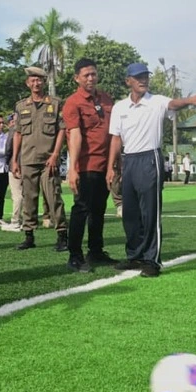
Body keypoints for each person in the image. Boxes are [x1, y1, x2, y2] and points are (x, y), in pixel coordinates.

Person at [107, 63, 196, 277]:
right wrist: (111, 167)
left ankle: (151, 260)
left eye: (145, 76)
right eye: (138, 77)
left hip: (149, 158)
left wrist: (189, 100)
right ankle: (134, 255)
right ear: (128, 81)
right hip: (129, 160)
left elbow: (174, 103)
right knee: (130, 213)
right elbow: (116, 139)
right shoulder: (120, 107)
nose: (143, 80)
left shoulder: (156, 101)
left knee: (150, 212)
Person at [62, 58, 118, 273]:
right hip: (86, 165)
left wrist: (114, 163)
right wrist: (73, 168)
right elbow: (74, 136)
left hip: (105, 164)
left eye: (93, 74)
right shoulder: (73, 102)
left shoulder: (106, 98)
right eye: (86, 75)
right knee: (81, 209)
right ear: (77, 78)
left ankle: (96, 251)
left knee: (99, 209)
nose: (91, 78)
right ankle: (74, 256)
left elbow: (113, 132)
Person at [11, 66, 68, 251]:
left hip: (48, 160)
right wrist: (15, 159)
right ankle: (29, 235)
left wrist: (56, 154)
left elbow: (62, 130)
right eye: (32, 80)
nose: (36, 83)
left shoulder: (55, 103)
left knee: (53, 197)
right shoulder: (21, 106)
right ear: (27, 83)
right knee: (29, 198)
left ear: (44, 82)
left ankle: (62, 235)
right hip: (28, 160)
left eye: (39, 80)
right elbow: (18, 133)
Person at [1, 113, 24, 232]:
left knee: (16, 194)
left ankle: (15, 221)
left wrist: (8, 161)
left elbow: (9, 147)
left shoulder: (14, 129)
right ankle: (28, 220)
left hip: (17, 164)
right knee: (27, 194)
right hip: (29, 164)